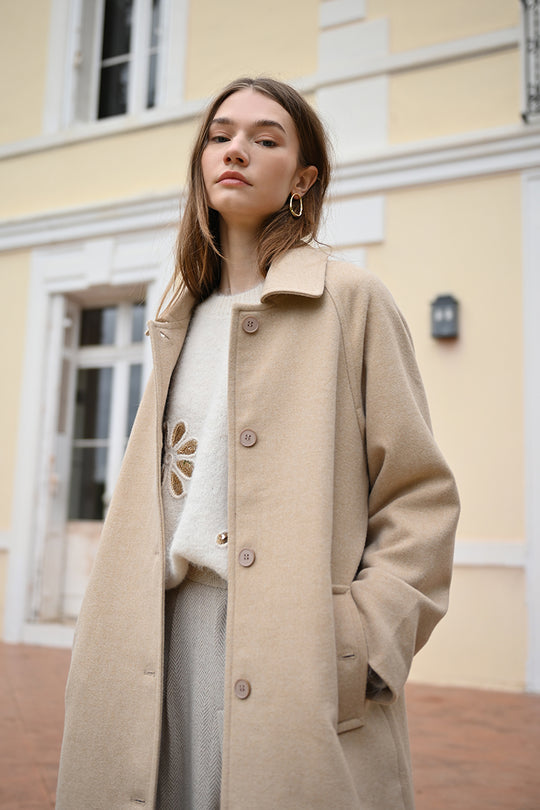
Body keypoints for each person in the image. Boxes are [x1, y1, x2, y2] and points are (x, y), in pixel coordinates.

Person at [56, 77, 459, 810]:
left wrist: (362, 642)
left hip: (296, 652)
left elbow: (419, 496)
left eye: (266, 139)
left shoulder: (350, 300)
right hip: (158, 643)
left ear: (302, 179)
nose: (236, 149)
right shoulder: (176, 316)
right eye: (220, 135)